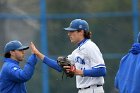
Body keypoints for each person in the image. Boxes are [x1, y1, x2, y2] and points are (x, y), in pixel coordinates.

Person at [32, 19, 106, 93]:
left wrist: (78, 71)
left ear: (81, 32)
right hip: (83, 90)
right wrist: (38, 54)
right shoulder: (76, 51)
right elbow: (59, 67)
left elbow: (101, 71)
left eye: (72, 31)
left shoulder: (90, 47)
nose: (69, 34)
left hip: (93, 89)